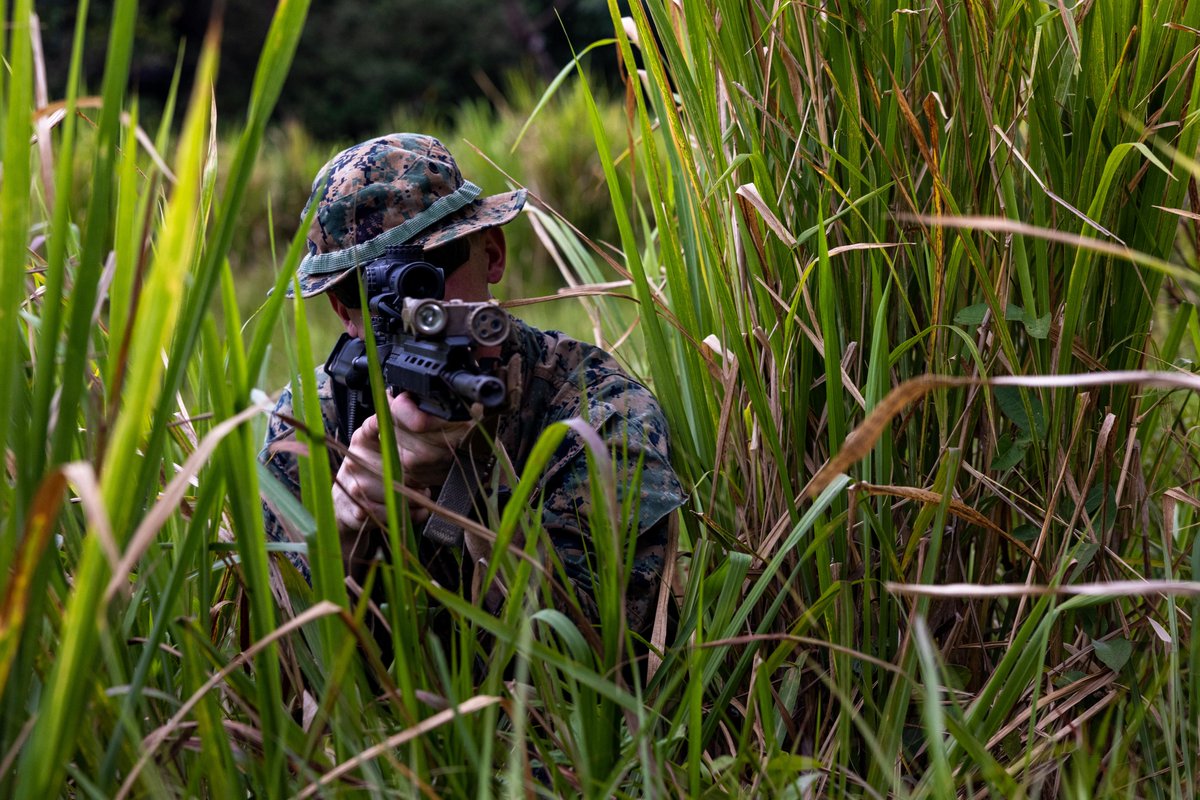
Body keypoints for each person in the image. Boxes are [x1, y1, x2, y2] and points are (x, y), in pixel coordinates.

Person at [258, 133, 684, 644]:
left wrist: (474, 498)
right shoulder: (312, 419)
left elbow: (618, 652)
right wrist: (344, 533)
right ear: (343, 311)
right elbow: (272, 670)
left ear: (493, 253)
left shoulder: (598, 411)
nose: (410, 312)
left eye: (429, 273)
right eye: (361, 289)